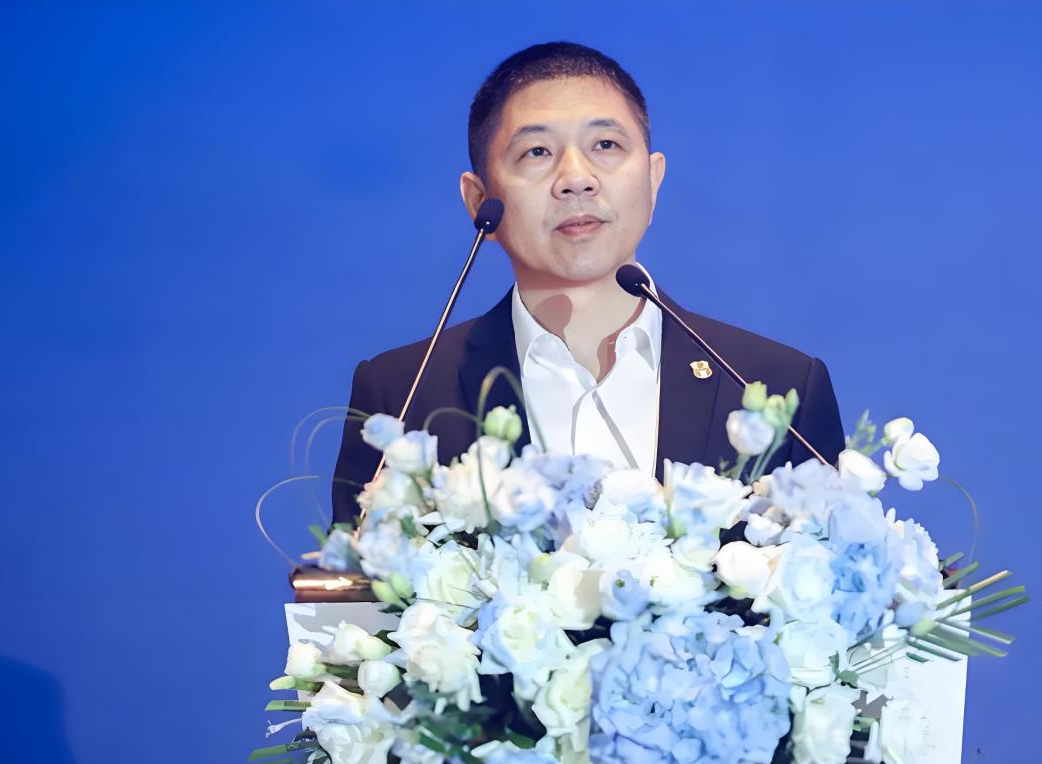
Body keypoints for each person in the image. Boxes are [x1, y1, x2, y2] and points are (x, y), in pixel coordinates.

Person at [331, 42, 843, 527]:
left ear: (653, 179)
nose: (576, 178)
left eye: (605, 145)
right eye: (536, 152)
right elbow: (355, 585)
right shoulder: (403, 393)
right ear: (479, 201)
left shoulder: (777, 389)